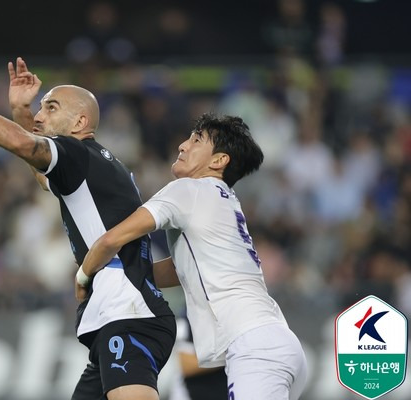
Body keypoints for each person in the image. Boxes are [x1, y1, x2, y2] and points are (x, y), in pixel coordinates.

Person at [0, 59, 176, 400]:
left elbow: (24, 145)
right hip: (122, 310)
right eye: (40, 107)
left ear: (80, 122)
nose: (40, 116)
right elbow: (43, 175)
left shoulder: (76, 153)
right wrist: (19, 109)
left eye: (51, 107)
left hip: (128, 313)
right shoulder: (95, 164)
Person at [77, 113, 308, 400]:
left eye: (197, 139)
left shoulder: (190, 189)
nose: (183, 146)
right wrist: (124, 278)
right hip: (275, 343)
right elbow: (178, 269)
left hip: (254, 348)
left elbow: (113, 238)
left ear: (218, 161)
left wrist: (85, 275)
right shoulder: (222, 200)